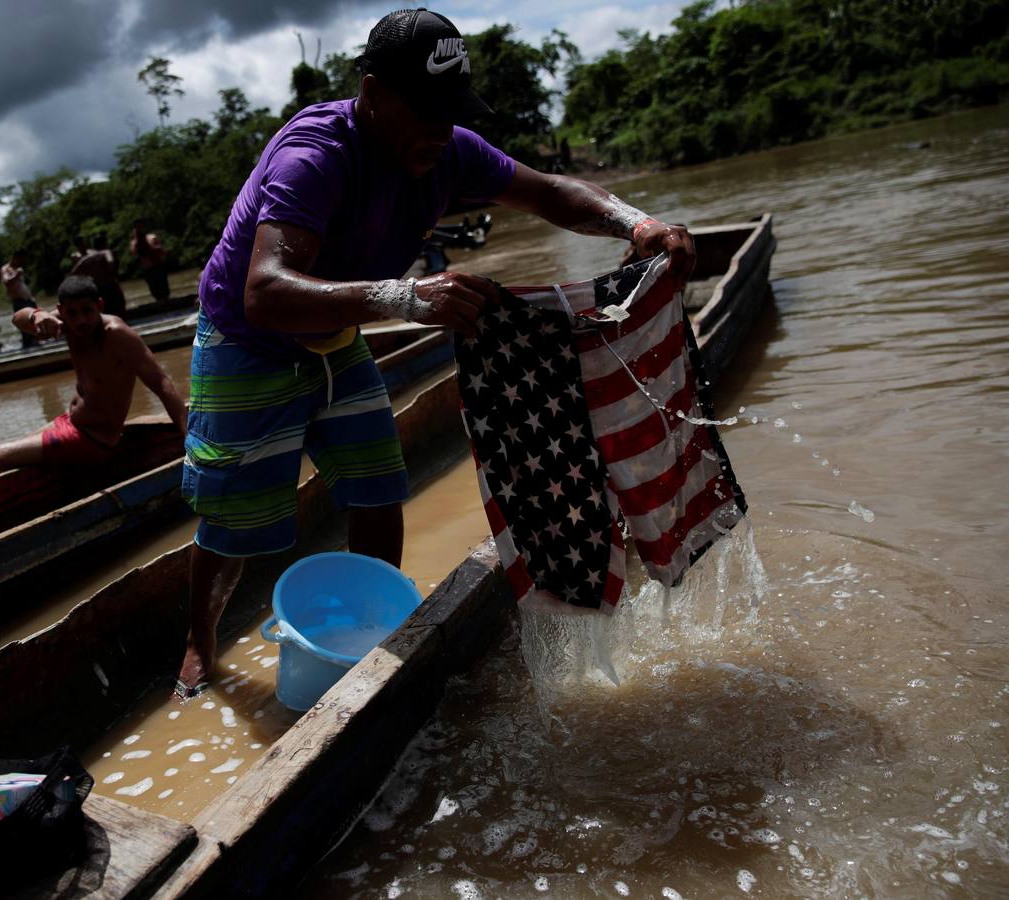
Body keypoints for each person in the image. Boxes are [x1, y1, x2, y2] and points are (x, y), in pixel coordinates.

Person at [174, 8, 695, 697]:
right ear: (372, 95)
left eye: (448, 113)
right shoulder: (317, 155)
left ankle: (373, 634)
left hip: (336, 335)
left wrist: (639, 222)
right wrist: (409, 298)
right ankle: (198, 640)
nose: (438, 131)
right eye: (423, 112)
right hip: (248, 341)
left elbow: (551, 193)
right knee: (237, 520)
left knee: (379, 488)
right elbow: (265, 293)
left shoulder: (448, 149)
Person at [0, 276, 187, 475]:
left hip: (95, 438)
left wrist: (190, 440)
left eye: (87, 311)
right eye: (72, 313)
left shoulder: (117, 334)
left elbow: (162, 384)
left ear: (100, 305)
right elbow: (18, 319)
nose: (81, 320)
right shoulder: (63, 322)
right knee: (18, 452)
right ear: (61, 311)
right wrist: (37, 315)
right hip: (71, 421)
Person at [70, 233, 128, 318]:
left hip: (107, 282)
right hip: (95, 284)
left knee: (118, 307)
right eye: (81, 243)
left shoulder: (92, 252)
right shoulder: (76, 256)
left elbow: (109, 263)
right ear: (77, 245)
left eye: (84, 242)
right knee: (107, 309)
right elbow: (76, 272)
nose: (84, 244)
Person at [1, 249, 41, 349]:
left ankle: (36, 346)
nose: (22, 262)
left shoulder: (16, 269)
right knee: (26, 328)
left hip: (28, 301)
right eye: (21, 260)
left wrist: (32, 299)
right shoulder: (6, 269)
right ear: (16, 258)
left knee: (35, 325)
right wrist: (17, 275)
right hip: (20, 302)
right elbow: (6, 282)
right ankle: (27, 349)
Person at [130, 219, 170, 303]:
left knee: (163, 285)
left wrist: (154, 250)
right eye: (138, 228)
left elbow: (162, 251)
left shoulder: (152, 237)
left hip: (157, 265)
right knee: (153, 287)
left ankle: (166, 300)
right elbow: (133, 253)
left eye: (141, 227)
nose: (140, 229)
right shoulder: (134, 243)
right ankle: (159, 301)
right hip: (147, 268)